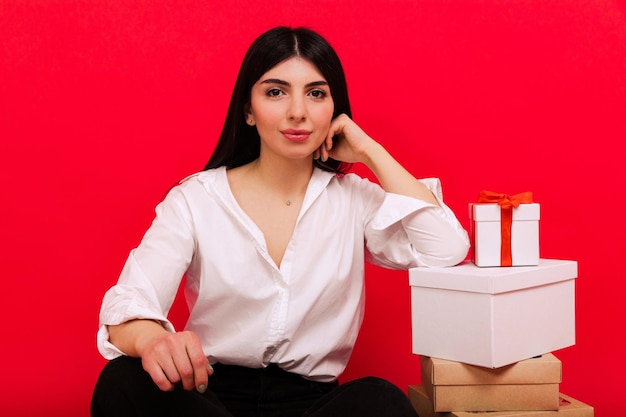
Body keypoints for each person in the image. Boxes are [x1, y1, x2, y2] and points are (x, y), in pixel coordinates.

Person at [90, 26, 469, 417]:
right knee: (124, 379)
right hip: (212, 401)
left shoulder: (353, 199)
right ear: (248, 111)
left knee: (379, 401)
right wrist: (153, 340)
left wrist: (368, 150)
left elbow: (444, 248)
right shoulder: (196, 199)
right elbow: (128, 302)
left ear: (334, 110)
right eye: (275, 91)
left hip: (313, 406)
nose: (297, 112)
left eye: (316, 93)